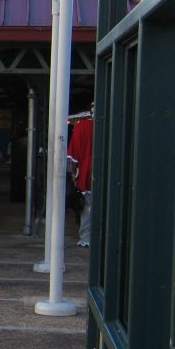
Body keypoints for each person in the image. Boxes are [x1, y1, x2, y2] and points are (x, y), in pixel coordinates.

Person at [68, 102, 94, 247]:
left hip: (86, 174)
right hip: (112, 176)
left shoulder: (82, 127)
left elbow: (74, 156)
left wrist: (73, 174)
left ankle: (86, 237)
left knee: (88, 207)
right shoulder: (117, 124)